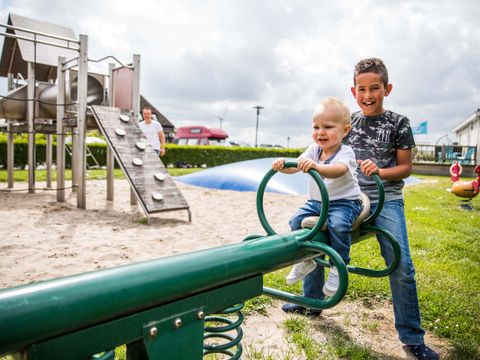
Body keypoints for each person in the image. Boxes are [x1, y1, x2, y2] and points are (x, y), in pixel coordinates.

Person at [282, 58, 439, 360]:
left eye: (375, 89)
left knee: (401, 264)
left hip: (385, 199)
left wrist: (380, 171)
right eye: (362, 89)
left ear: (387, 89)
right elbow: (322, 149)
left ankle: (412, 337)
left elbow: (405, 167)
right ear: (354, 91)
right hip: (343, 198)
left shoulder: (398, 122)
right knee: (317, 239)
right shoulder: (345, 122)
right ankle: (311, 301)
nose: (368, 95)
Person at [272, 97, 362, 303]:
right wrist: (282, 165)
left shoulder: (345, 152)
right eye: (316, 126)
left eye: (328, 127)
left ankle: (339, 266)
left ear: (345, 130)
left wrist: (317, 167)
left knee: (339, 226)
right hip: (317, 202)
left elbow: (338, 170)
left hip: (344, 202)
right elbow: (296, 166)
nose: (321, 132)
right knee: (296, 222)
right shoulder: (313, 150)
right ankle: (307, 259)